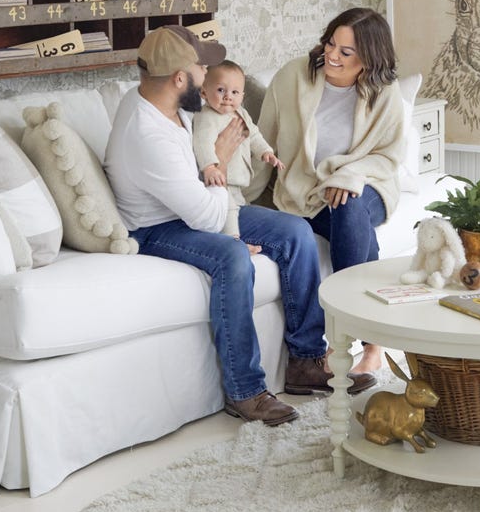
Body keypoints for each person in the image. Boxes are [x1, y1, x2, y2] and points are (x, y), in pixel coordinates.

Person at [104, 25, 376, 428]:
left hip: (199, 201)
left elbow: (208, 190)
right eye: (201, 69)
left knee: (296, 232)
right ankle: (245, 391)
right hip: (157, 227)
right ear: (179, 78)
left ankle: (306, 362)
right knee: (233, 257)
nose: (207, 78)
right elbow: (207, 218)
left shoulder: (162, 99)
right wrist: (222, 156)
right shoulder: (148, 135)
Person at [256, 7, 405, 377]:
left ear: (369, 59)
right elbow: (263, 141)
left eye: (345, 52)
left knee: (350, 207)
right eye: (330, 44)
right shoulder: (294, 76)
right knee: (353, 225)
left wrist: (350, 175)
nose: (332, 56)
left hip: (369, 187)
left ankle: (340, 343)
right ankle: (373, 345)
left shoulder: (385, 92)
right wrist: (238, 206)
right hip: (307, 191)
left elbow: (388, 156)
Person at [193, 59, 282, 237]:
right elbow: (201, 143)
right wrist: (209, 167)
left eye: (234, 92)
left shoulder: (241, 112)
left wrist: (266, 151)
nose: (228, 97)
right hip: (218, 179)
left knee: (240, 209)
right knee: (229, 208)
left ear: (242, 96)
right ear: (204, 92)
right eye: (220, 90)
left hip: (238, 182)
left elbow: (254, 133)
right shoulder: (206, 117)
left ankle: (238, 233)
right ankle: (232, 239)